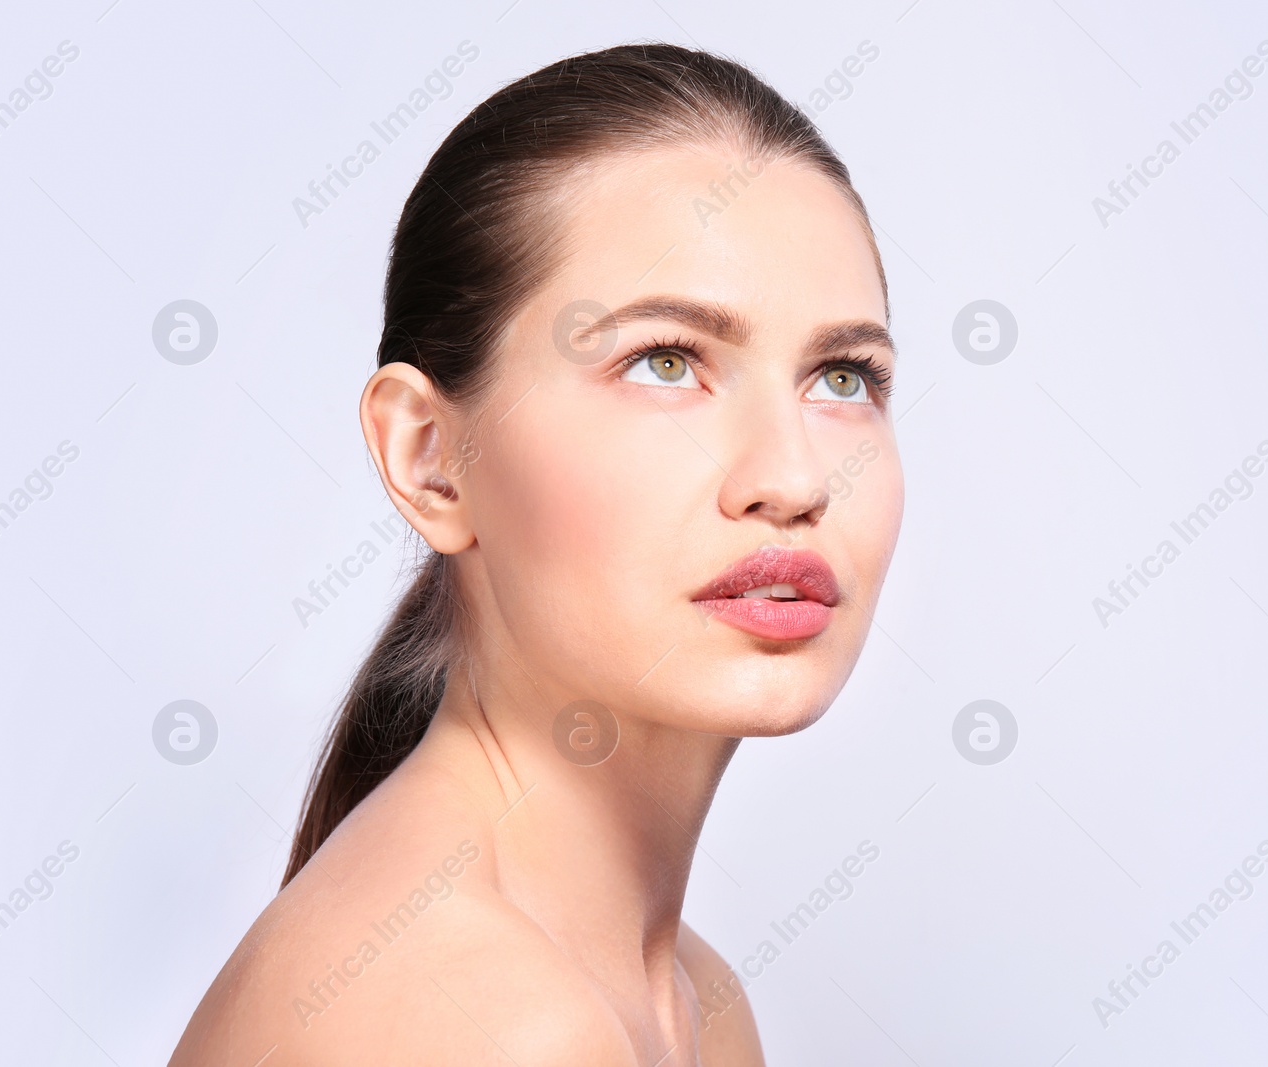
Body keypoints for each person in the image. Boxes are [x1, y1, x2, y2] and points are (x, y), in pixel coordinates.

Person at [169, 42, 904, 1066]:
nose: (793, 477)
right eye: (665, 360)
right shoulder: (493, 1022)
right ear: (431, 459)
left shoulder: (695, 996)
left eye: (841, 377)